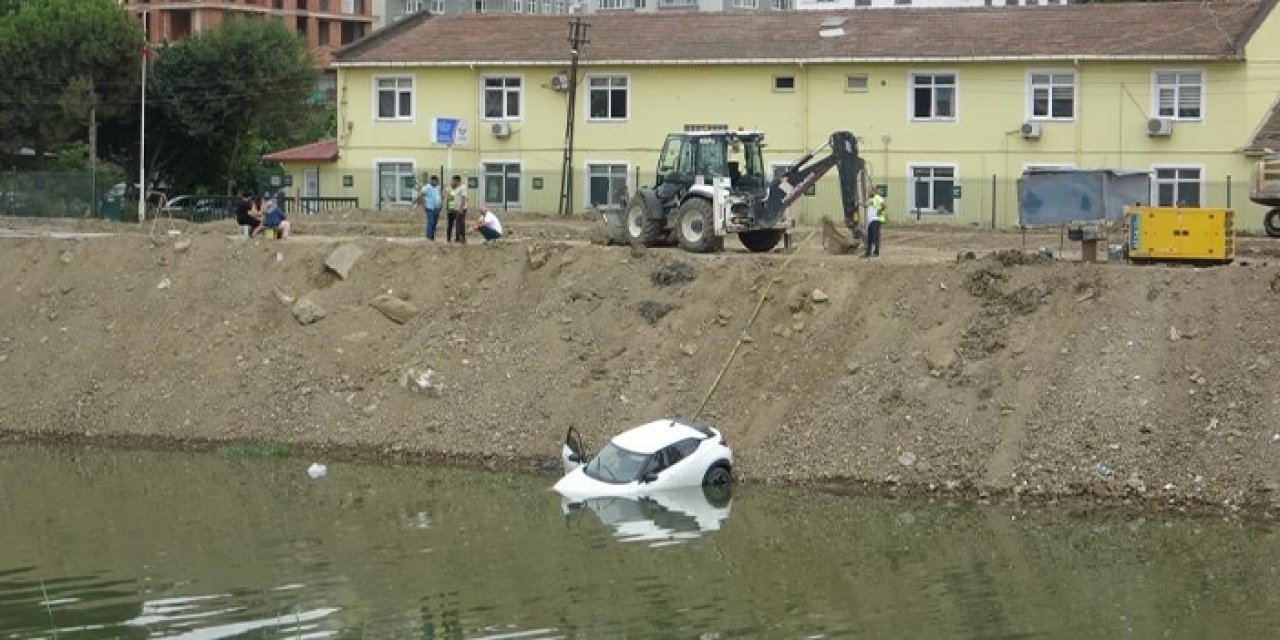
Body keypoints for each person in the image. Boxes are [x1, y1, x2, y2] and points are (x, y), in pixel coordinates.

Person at [418, 175, 442, 240]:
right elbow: (420, 196)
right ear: (431, 180)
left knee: (435, 223)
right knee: (430, 222)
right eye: (433, 180)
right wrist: (424, 205)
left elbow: (440, 196)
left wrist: (440, 205)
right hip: (429, 207)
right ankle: (429, 237)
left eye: (436, 180)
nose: (435, 182)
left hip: (437, 208)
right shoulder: (426, 187)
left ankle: (432, 237)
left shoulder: (438, 187)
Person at [863, 188, 886, 258]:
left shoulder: (878, 198)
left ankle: (876, 252)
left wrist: (879, 212)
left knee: (875, 236)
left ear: (874, 191)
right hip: (871, 221)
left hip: (875, 220)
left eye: (869, 192)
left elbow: (884, 205)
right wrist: (859, 203)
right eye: (868, 192)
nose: (868, 193)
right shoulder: (872, 199)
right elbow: (866, 205)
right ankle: (868, 252)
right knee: (870, 237)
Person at [446, 175, 468, 244]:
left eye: (453, 180)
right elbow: (448, 194)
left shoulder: (462, 188)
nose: (452, 182)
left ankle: (460, 239)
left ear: (457, 181)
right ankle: (456, 239)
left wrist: (461, 208)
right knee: (456, 224)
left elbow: (463, 198)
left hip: (460, 209)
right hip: (454, 209)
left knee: (460, 224)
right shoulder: (454, 188)